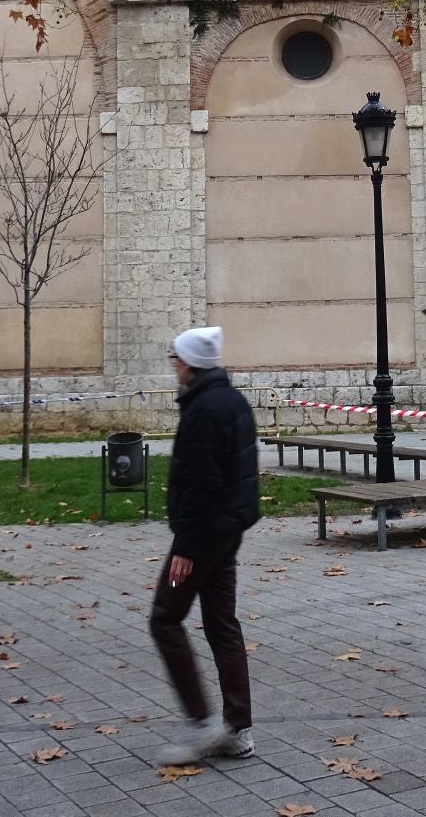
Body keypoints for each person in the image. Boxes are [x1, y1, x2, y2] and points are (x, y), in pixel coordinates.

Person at [151, 325, 260, 764]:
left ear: (191, 363)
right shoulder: (231, 399)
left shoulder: (204, 409)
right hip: (227, 530)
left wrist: (186, 549)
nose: (173, 365)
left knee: (165, 619)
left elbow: (201, 484)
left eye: (175, 357)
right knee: (222, 624)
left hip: (204, 535)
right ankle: (237, 729)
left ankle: (201, 723)